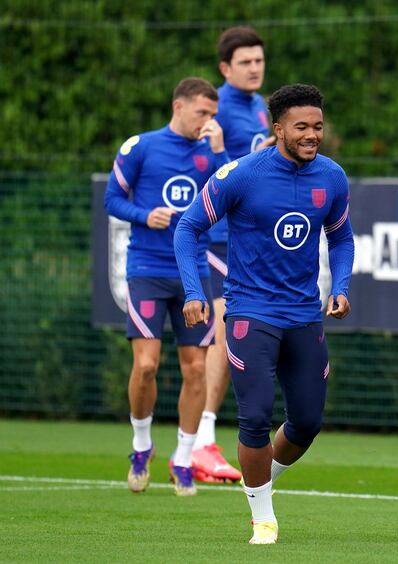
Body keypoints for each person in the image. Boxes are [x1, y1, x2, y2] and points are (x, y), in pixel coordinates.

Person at [174, 84, 354, 544]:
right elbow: (189, 226)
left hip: (304, 315)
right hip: (250, 313)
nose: (312, 134)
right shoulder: (242, 174)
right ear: (277, 129)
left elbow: (342, 237)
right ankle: (263, 516)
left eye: (317, 126)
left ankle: (260, 477)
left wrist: (343, 286)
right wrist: (194, 292)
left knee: (308, 422)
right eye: (302, 127)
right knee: (254, 418)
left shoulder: (332, 177)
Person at [104, 77, 229, 496]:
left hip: (193, 270)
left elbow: (230, 196)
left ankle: (183, 457)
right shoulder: (141, 146)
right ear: (179, 106)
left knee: (196, 368)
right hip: (147, 267)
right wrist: (144, 215)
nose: (208, 121)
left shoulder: (210, 153)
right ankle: (142, 446)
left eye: (213, 115)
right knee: (146, 365)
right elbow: (112, 199)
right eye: (202, 113)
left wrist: (218, 152)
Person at [193, 26, 275, 484]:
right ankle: (202, 442)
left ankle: (196, 443)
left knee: (232, 338)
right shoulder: (216, 107)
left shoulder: (260, 107)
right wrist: (224, 153)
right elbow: (201, 169)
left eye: (259, 61)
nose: (255, 68)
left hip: (247, 238)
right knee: (225, 336)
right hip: (218, 237)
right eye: (245, 62)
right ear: (226, 68)